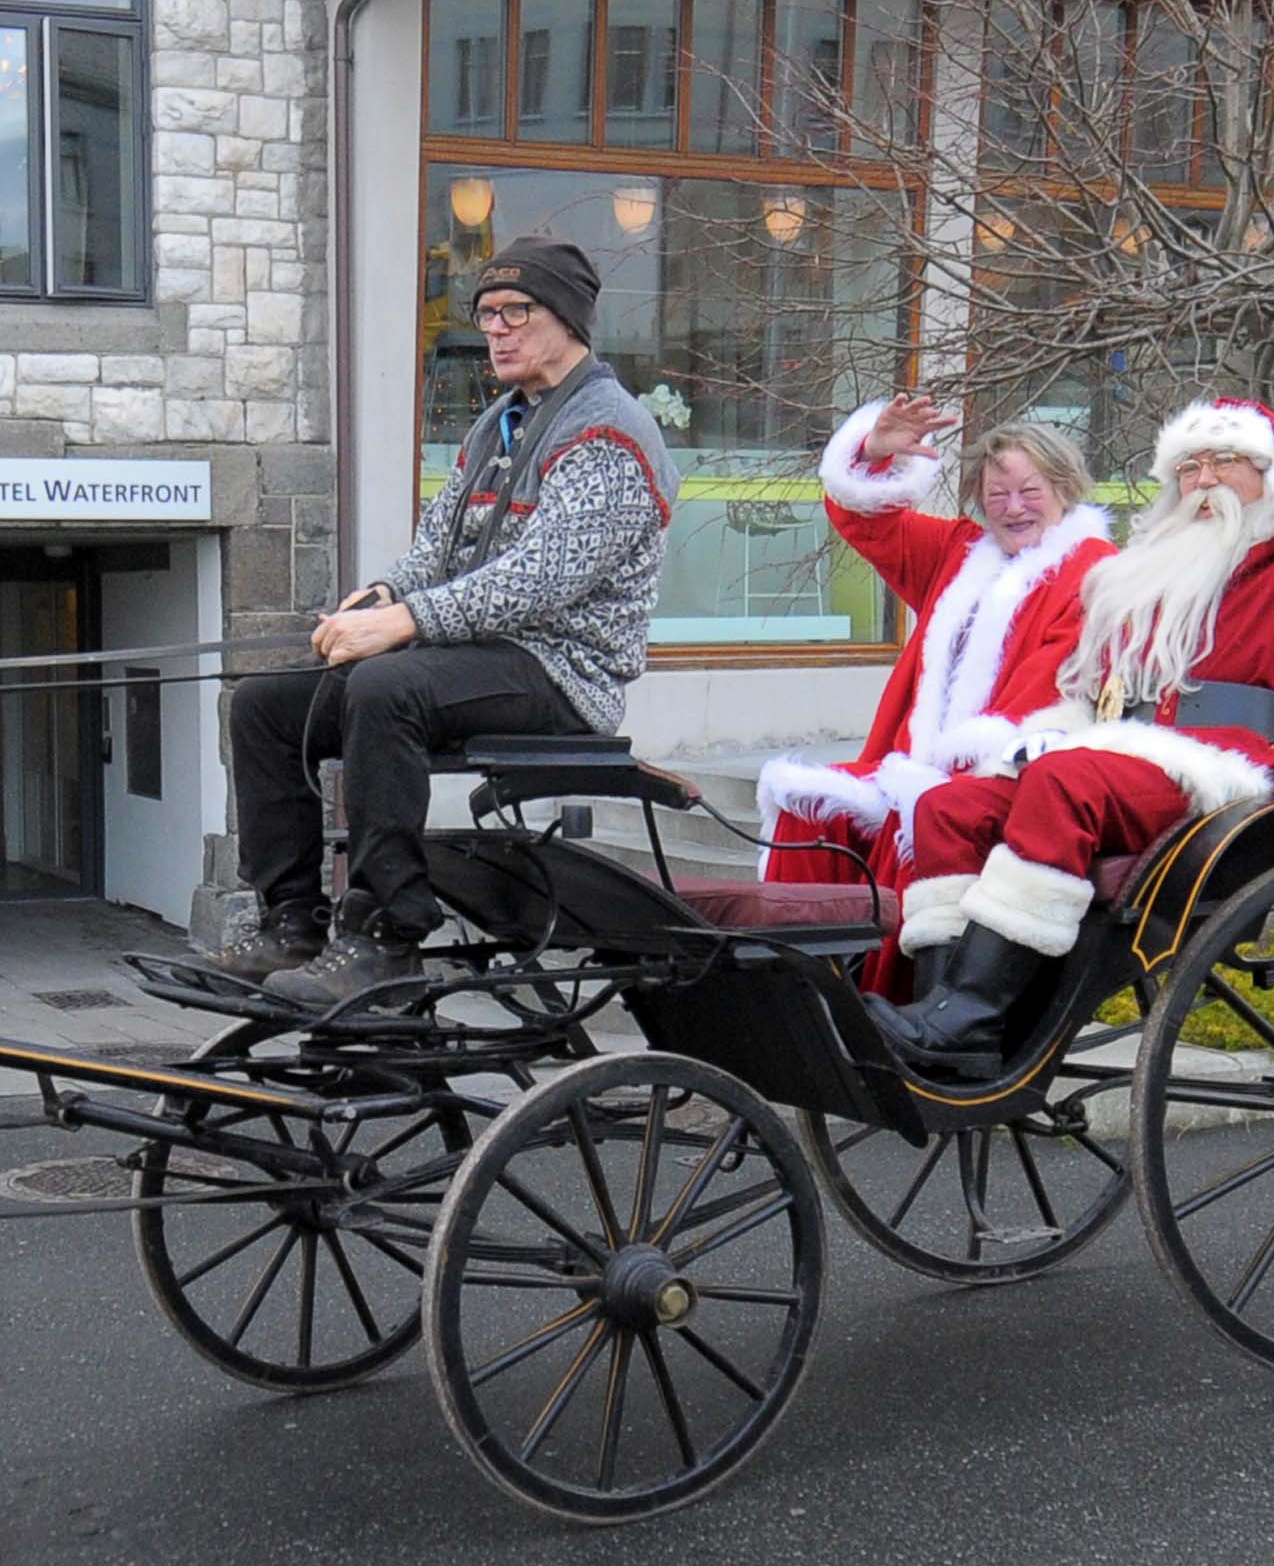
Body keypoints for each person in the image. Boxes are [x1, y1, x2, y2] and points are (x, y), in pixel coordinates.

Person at [874, 237, 1274, 1068]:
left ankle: (973, 1014)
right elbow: (1090, 698)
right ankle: (944, 1014)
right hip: (1114, 753)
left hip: (1218, 775)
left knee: (1064, 781)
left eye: (1226, 463)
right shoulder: (1135, 582)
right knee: (951, 806)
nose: (1203, 480)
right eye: (1188, 466)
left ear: (1273, 479)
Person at [215, 235, 678, 1012]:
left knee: (388, 687)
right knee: (263, 705)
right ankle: (290, 920)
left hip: (560, 672)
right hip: (472, 660)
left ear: (567, 318)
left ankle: (385, 940)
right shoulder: (498, 424)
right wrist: (379, 596)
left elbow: (541, 581)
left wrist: (403, 624)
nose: (495, 329)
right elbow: (436, 549)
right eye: (486, 314)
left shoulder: (610, 431)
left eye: (514, 312)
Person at [756, 398, 1116, 966]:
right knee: (806, 808)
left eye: (1031, 492)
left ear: (1065, 489)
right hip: (919, 763)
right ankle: (789, 981)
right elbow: (867, 521)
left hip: (1007, 775)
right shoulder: (961, 551)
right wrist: (873, 453)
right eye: (997, 495)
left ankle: (881, 1000)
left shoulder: (1093, 569)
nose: (1013, 508)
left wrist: (946, 768)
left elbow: (1049, 691)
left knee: (918, 810)